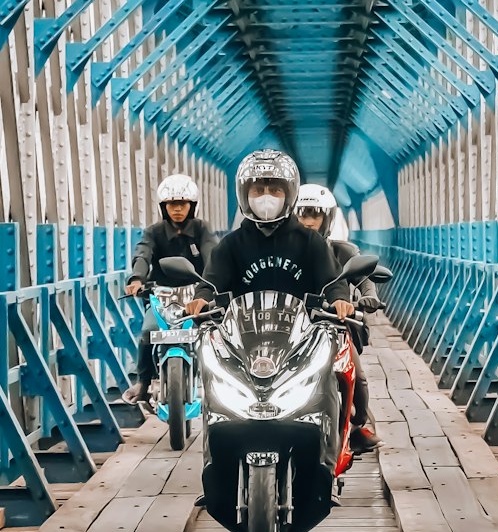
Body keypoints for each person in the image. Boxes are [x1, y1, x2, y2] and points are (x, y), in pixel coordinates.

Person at [185, 147, 354, 317]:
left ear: (289, 195)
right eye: (258, 190)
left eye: (275, 190)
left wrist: (339, 299)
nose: (266, 197)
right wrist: (202, 298)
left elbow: (333, 282)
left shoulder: (311, 242)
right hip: (243, 334)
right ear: (245, 194)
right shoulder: (231, 245)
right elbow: (211, 283)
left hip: (303, 335)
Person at [296, 183, 380, 452]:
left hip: (331, 327)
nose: (308, 221)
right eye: (302, 214)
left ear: (327, 218)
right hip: (290, 328)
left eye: (315, 215)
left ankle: (358, 426)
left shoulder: (342, 251)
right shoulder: (282, 253)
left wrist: (369, 295)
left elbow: (364, 278)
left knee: (358, 375)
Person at [123, 174, 218, 404]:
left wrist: (216, 279)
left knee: (214, 331)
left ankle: (219, 379)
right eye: (171, 204)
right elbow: (143, 253)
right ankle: (143, 382)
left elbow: (212, 254)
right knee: (148, 332)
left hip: (197, 294)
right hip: (163, 294)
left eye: (182, 204)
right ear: (164, 207)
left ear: (191, 206)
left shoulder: (201, 228)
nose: (177, 209)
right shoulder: (153, 232)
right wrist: (137, 278)